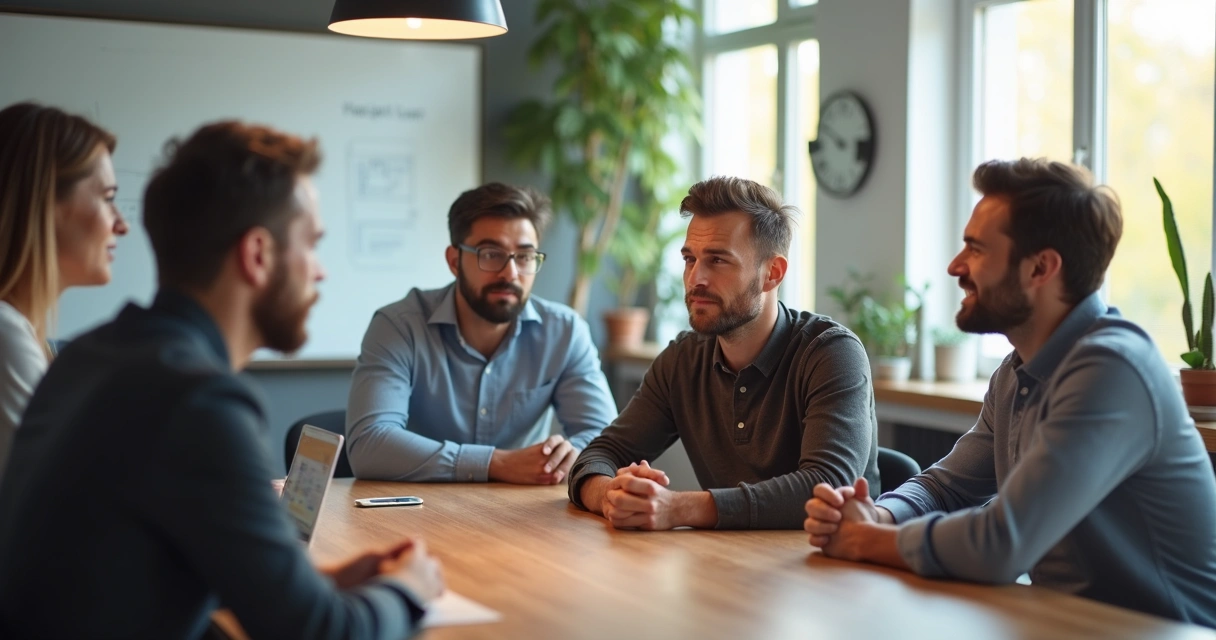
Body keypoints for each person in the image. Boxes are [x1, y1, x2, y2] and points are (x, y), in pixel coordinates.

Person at [0, 121, 443, 639]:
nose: (320, 272)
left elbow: (135, 570)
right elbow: (317, 633)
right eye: (311, 245)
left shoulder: (90, 356)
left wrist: (315, 583)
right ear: (257, 255)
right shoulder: (199, 401)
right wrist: (407, 590)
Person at [804, 158, 1216, 627]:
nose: (955, 266)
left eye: (976, 249)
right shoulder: (1017, 371)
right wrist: (879, 516)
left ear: (1041, 268)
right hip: (1062, 624)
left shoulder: (1112, 369)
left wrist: (865, 540)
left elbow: (1002, 544)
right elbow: (945, 487)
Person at [568, 176, 879, 530]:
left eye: (717, 260)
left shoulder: (832, 354)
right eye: (690, 259)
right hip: (725, 557)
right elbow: (599, 455)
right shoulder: (682, 360)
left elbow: (828, 487)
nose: (695, 278)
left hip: (827, 558)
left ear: (772, 273)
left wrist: (679, 508)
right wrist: (611, 496)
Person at [346, 183, 616, 484]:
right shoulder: (399, 326)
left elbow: (607, 439)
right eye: (491, 254)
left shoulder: (564, 332)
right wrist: (496, 463)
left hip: (522, 506)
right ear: (454, 261)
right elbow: (369, 444)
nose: (510, 273)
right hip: (419, 505)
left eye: (524, 257)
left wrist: (569, 455)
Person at [0, 102, 128, 476]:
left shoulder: (22, 335)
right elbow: (74, 496)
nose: (121, 224)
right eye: (108, 198)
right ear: (44, 206)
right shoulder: (6, 337)